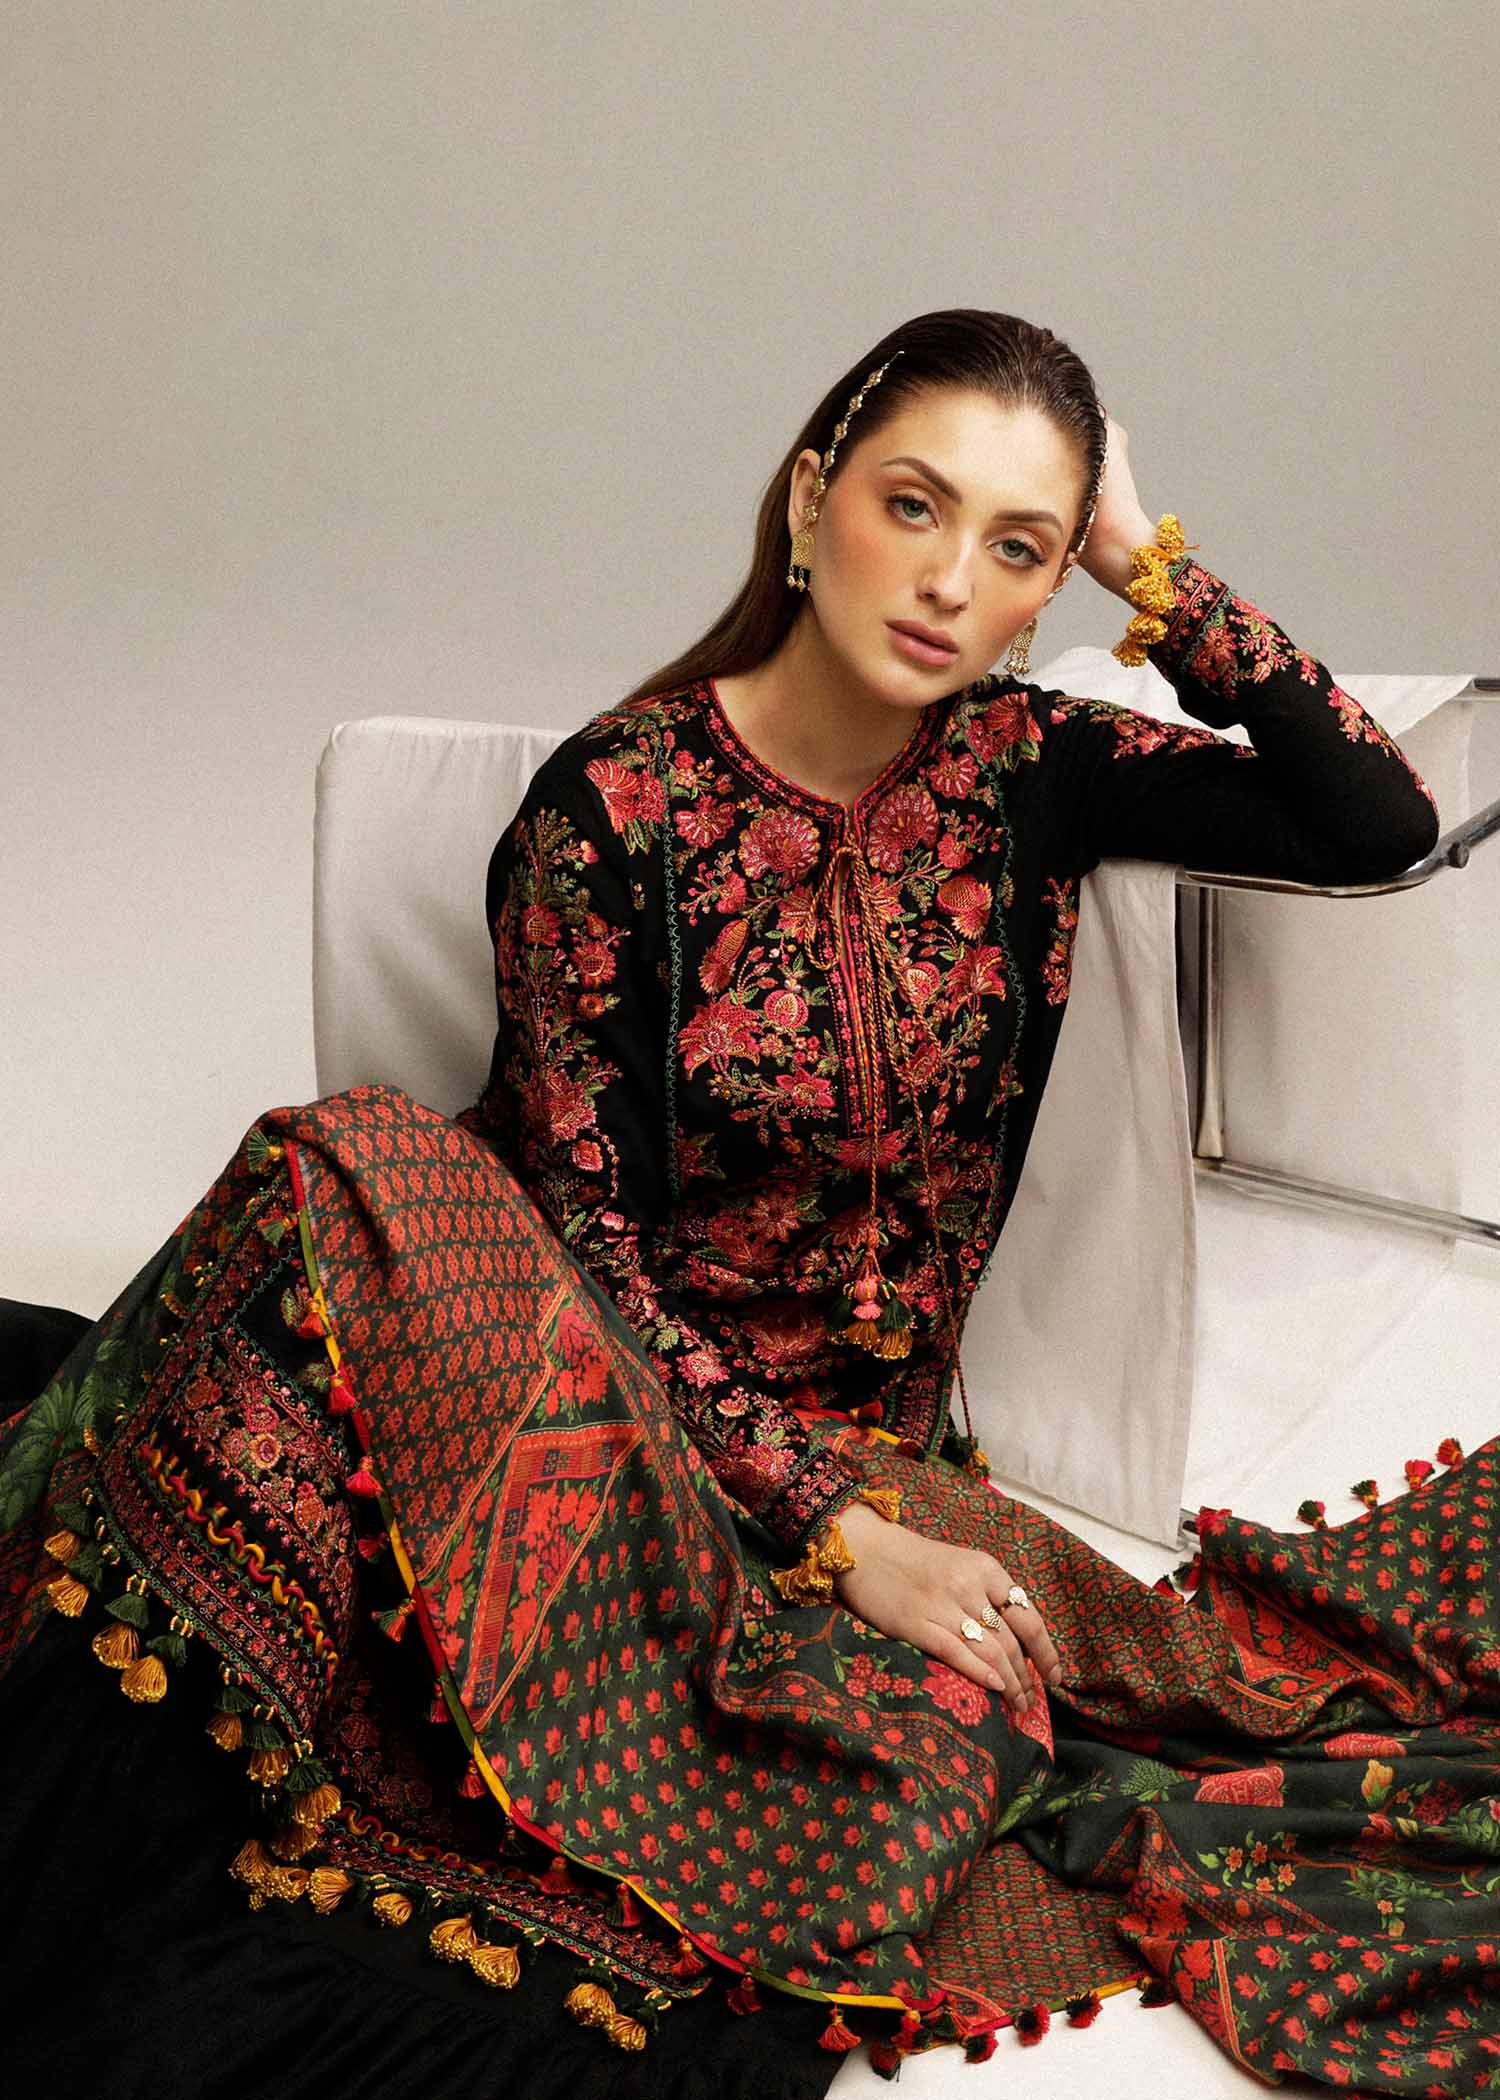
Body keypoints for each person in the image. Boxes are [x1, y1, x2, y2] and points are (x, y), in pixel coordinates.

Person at [3, 308, 1496, 2098]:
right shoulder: (613, 810)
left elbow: (1375, 820)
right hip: (569, 1383)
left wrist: (1146, 565)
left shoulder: (1034, 767)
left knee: (939, 1761)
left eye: (1015, 548)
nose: (948, 581)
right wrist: (842, 1534)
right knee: (353, 1157)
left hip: (859, 1456)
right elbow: (583, 1250)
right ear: (809, 501)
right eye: (913, 505)